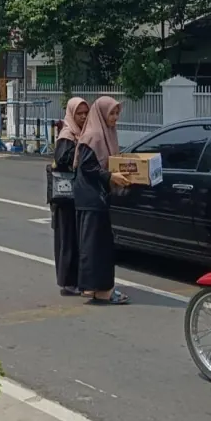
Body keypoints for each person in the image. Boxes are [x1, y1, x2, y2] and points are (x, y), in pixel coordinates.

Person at [73, 96, 131, 305]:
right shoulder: (94, 135)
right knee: (96, 244)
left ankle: (96, 289)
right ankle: (100, 289)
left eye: (117, 113)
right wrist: (110, 177)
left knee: (99, 244)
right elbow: (88, 167)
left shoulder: (107, 134)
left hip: (97, 195)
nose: (115, 118)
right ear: (102, 114)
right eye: (112, 113)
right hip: (90, 197)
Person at [52, 97, 89, 297]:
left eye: (86, 113)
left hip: (76, 195)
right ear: (72, 115)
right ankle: (67, 282)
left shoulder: (82, 134)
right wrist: (81, 152)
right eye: (79, 113)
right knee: (67, 239)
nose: (83, 117)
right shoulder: (68, 134)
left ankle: (76, 279)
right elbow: (62, 159)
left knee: (76, 239)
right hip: (66, 198)